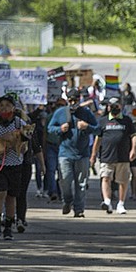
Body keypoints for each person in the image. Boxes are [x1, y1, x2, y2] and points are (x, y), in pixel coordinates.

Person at [47, 88, 99, 218]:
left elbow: (98, 129)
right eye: (70, 100)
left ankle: (79, 209)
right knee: (65, 181)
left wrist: (87, 127)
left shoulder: (86, 113)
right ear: (67, 100)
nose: (73, 102)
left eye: (75, 99)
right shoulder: (60, 112)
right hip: (65, 153)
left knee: (81, 183)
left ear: (79, 99)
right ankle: (67, 201)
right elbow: (49, 128)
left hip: (82, 154)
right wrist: (60, 129)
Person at [0, 95, 28, 240]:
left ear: (13, 108)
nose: (4, 109)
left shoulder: (19, 123)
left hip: (15, 164)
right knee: (0, 192)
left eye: (7, 106)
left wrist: (16, 142)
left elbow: (25, 146)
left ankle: (8, 227)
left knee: (11, 196)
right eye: (1, 106)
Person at [90, 96, 136, 215]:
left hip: (122, 156)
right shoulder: (103, 121)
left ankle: (121, 204)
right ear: (108, 107)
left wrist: (133, 150)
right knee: (105, 178)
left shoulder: (127, 120)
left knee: (123, 181)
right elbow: (98, 139)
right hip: (106, 156)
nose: (114, 108)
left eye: (116, 105)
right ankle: (107, 202)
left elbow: (134, 136)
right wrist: (93, 154)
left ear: (120, 106)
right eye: (111, 106)